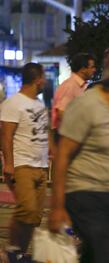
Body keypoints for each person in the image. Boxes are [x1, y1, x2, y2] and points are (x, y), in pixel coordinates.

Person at [48, 51, 109, 263]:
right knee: (108, 252)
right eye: (90, 67)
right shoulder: (77, 94)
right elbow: (63, 131)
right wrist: (57, 207)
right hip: (84, 190)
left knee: (108, 249)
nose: (93, 70)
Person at [1, 63, 49, 261]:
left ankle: (21, 252)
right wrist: (9, 164)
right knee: (26, 208)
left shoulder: (39, 104)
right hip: (22, 165)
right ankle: (12, 248)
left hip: (41, 165)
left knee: (34, 216)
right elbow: (6, 136)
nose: (45, 81)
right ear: (37, 79)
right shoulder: (13, 103)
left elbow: (44, 131)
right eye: (43, 77)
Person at [51, 52, 96, 135]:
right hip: (66, 137)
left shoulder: (81, 85)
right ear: (83, 69)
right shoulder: (70, 86)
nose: (94, 70)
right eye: (92, 67)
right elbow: (61, 113)